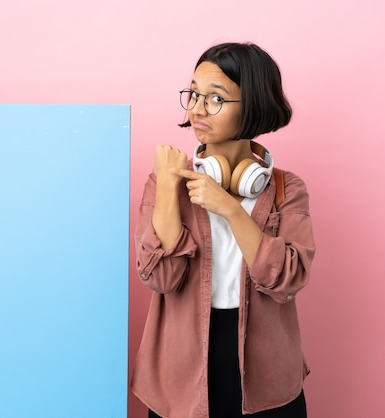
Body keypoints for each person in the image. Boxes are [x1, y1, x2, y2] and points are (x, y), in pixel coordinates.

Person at [130, 42, 316, 418]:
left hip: (266, 375)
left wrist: (231, 209)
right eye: (194, 93)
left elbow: (289, 278)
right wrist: (168, 190)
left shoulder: (286, 189)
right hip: (181, 372)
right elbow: (162, 278)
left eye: (215, 98)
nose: (197, 108)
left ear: (253, 104)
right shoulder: (167, 182)